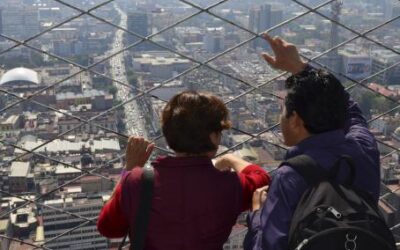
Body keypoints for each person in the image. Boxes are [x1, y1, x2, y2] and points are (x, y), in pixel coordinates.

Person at [244, 34, 380, 250]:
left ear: (296, 119)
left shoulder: (290, 177)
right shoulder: (364, 148)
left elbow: (268, 246)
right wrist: (302, 68)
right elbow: (350, 109)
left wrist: (258, 215)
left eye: (283, 109)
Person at [97, 91, 271, 250]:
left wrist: (129, 170)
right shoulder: (231, 185)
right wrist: (229, 158)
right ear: (213, 136)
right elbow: (261, 179)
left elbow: (108, 227)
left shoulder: (137, 181)